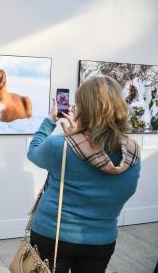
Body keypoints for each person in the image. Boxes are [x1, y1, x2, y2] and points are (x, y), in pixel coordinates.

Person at [27, 76, 141, 273]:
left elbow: (34, 152)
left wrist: (48, 122)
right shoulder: (132, 152)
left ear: (84, 108)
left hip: (53, 236)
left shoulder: (60, 146)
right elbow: (125, 191)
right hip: (100, 241)